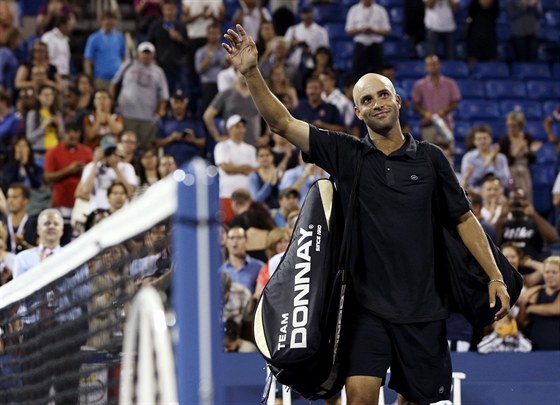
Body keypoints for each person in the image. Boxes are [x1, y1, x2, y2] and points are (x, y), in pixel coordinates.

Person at [223, 24, 510, 404]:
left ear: (398, 101)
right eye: (368, 100)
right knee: (360, 400)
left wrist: (495, 276)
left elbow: (464, 219)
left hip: (423, 309)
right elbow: (283, 123)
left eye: (383, 95)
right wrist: (251, 72)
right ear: (357, 111)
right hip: (364, 310)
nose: (377, 103)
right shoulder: (347, 154)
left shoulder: (431, 159)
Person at [12, 208, 86, 404]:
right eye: (46, 223)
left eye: (55, 223)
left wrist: (60, 275)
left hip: (66, 331)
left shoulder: (75, 257)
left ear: (62, 230)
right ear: (38, 229)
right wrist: (41, 272)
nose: (51, 226)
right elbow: (20, 298)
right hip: (34, 333)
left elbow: (83, 296)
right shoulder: (23, 259)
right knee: (35, 392)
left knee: (69, 393)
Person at [110, 41, 169, 148]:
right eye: (144, 52)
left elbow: (163, 95)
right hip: (126, 115)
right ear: (138, 53)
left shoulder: (158, 71)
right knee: (125, 147)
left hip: (147, 117)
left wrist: (159, 113)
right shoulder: (128, 65)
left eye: (148, 53)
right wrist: (112, 102)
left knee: (146, 149)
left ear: (153, 55)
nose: (146, 55)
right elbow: (114, 83)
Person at [43, 122, 92, 244]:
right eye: (70, 137)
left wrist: (84, 170)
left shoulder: (87, 152)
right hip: (61, 203)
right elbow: (48, 176)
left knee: (80, 239)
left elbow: (93, 173)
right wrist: (68, 171)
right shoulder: (53, 152)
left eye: (76, 137)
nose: (73, 139)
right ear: (64, 134)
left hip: (82, 203)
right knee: (62, 238)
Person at [75, 135, 138, 212]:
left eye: (112, 151)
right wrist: (95, 163)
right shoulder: (91, 167)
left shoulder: (127, 167)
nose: (109, 154)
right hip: (98, 211)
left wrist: (115, 168)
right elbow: (86, 190)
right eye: (107, 151)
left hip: (121, 212)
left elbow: (130, 192)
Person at [495, 187, 559, 261]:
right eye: (513, 199)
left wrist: (534, 215)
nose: (517, 203)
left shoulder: (534, 221)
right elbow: (494, 241)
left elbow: (553, 238)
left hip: (532, 266)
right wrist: (501, 216)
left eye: (520, 199)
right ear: (508, 202)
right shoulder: (504, 223)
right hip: (508, 267)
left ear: (527, 201)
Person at [411, 54, 461, 143]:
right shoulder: (419, 85)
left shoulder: (450, 83)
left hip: (446, 124)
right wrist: (425, 113)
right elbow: (415, 105)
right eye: (429, 64)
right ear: (425, 67)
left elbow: (455, 103)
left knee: (447, 154)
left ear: (439, 65)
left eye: (435, 64)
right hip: (427, 125)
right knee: (428, 155)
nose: (432, 67)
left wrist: (444, 111)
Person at [516, 255, 560, 350]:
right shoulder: (536, 292)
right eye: (547, 272)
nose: (550, 275)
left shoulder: (534, 293)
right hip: (536, 347)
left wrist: (531, 308)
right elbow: (522, 321)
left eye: (554, 272)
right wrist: (523, 306)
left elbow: (555, 309)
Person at [148, 0, 190, 94]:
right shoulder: (156, 26)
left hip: (178, 67)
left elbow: (188, 47)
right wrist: (154, 61)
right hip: (161, 66)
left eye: (172, 9)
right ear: (163, 10)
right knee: (163, 94)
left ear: (176, 10)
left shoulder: (181, 27)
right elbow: (149, 45)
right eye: (167, 9)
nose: (169, 12)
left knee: (181, 94)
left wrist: (180, 39)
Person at [498, 110, 541, 202]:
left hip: (525, 173)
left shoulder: (527, 137)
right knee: (512, 195)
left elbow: (532, 160)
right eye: (509, 126)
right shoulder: (504, 141)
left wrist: (531, 152)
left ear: (520, 126)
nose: (511, 128)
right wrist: (515, 152)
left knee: (527, 195)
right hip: (510, 173)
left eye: (514, 126)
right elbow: (504, 162)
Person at [345, 0, 391, 82]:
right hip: (360, 45)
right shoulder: (354, 10)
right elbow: (348, 30)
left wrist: (373, 30)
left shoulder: (380, 10)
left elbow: (387, 30)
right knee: (358, 74)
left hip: (376, 46)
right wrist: (361, 30)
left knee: (378, 74)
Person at [83, 10, 126, 91]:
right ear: (101, 21)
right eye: (107, 19)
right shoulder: (94, 38)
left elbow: (123, 57)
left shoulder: (120, 37)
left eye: (112, 19)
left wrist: (123, 75)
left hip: (117, 78)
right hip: (101, 78)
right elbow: (87, 61)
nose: (110, 22)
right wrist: (89, 79)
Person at [460, 125, 510, 192]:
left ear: (491, 139)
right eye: (479, 139)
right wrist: (486, 163)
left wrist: (494, 162)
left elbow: (506, 182)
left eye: (485, 138)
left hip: (497, 194)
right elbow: (468, 182)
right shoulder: (468, 158)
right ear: (474, 141)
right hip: (476, 194)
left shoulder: (501, 158)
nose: (483, 142)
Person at [218, 225, 264, 294]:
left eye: (239, 238)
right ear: (227, 243)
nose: (235, 241)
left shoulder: (259, 267)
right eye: (231, 238)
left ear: (246, 241)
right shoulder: (220, 271)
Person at [195, 22, 228, 115]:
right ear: (207, 35)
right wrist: (207, 60)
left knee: (223, 110)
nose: (214, 36)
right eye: (211, 33)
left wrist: (228, 61)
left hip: (222, 84)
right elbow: (198, 69)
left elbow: (228, 68)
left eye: (216, 33)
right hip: (208, 84)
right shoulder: (201, 51)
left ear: (219, 34)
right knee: (208, 111)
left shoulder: (224, 50)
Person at [2, 184, 37, 254]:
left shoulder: (34, 224)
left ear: (25, 201)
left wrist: (23, 244)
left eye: (14, 197)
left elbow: (41, 251)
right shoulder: (2, 223)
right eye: (8, 197)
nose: (10, 201)